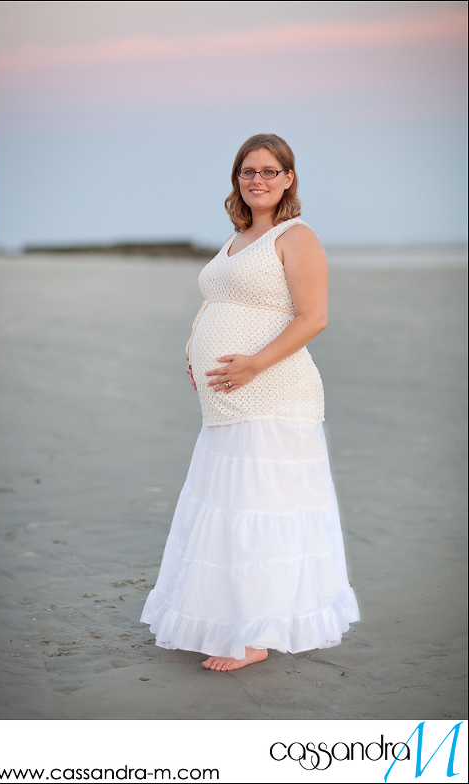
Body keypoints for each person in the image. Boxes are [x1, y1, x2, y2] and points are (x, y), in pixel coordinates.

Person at [140, 133, 359, 671]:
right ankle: (230, 618)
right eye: (247, 171)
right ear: (237, 179)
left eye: (268, 171)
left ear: (288, 178)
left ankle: (256, 634)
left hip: (273, 394)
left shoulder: (297, 236)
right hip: (227, 398)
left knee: (262, 512)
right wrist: (196, 353)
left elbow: (313, 317)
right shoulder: (239, 237)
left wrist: (253, 364)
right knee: (228, 511)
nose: (257, 179)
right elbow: (220, 302)